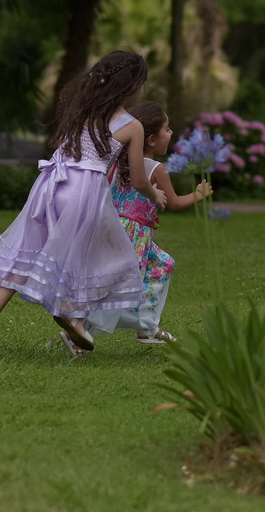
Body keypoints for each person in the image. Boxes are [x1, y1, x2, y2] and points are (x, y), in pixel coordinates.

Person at [0, 51, 167, 361]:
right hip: (85, 192)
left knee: (23, 257)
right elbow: (138, 179)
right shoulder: (131, 125)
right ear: (132, 85)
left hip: (50, 185)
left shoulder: (81, 110)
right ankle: (74, 317)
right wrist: (155, 196)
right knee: (114, 259)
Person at [74, 102, 212, 353]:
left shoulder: (117, 162)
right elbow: (175, 203)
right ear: (150, 139)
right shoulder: (156, 169)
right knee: (118, 284)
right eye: (167, 129)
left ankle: (146, 326)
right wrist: (199, 194)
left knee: (162, 264)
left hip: (116, 229)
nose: (170, 134)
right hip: (133, 235)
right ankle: (79, 331)